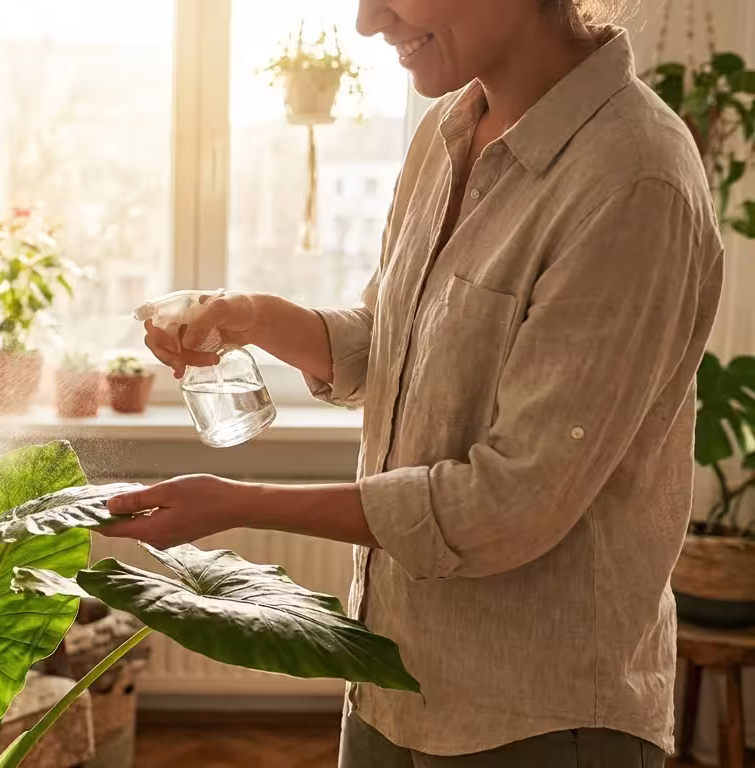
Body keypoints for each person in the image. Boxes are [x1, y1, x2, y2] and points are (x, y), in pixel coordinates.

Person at [102, 0, 725, 764]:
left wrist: (237, 504)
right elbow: (392, 342)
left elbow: (507, 504)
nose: (368, 22)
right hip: (393, 682)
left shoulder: (634, 179)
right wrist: (251, 315)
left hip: (540, 721)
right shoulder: (447, 130)